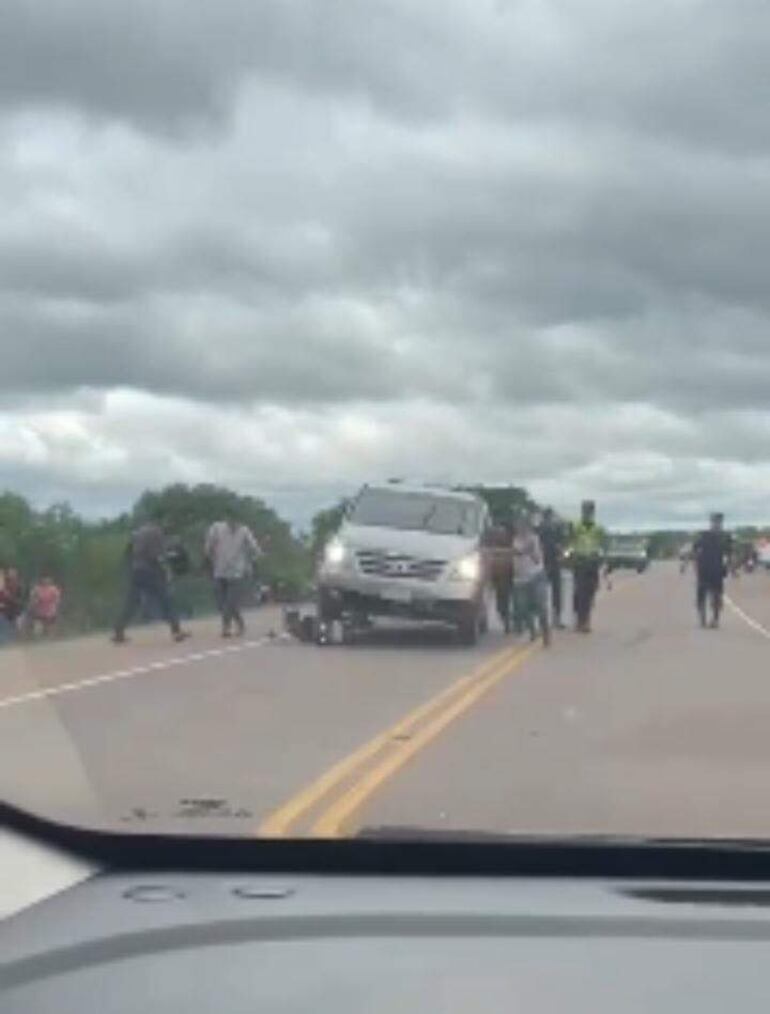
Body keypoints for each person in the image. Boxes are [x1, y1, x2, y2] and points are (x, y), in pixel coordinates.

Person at [112, 519, 190, 644]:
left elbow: (129, 553)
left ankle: (118, 631)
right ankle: (176, 631)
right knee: (166, 600)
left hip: (136, 570)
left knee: (131, 602)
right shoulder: (156, 532)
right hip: (150, 571)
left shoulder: (137, 533)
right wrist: (167, 564)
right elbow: (157, 555)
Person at [204, 512, 262, 637]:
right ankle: (240, 623)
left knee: (230, 601)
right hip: (220, 569)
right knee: (221, 602)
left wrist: (255, 556)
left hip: (237, 571)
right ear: (226, 519)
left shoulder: (244, 531)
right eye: (231, 520)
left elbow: (254, 547)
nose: (234, 524)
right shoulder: (216, 528)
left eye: (236, 522)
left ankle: (226, 627)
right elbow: (208, 547)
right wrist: (210, 556)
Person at [512, 515, 550, 646]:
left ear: (528, 527)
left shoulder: (534, 539)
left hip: (536, 575)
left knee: (541, 606)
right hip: (520, 579)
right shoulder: (514, 540)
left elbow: (537, 559)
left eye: (522, 525)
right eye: (518, 525)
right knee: (523, 607)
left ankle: (546, 635)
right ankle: (533, 631)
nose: (520, 528)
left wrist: (528, 550)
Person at [693, 513, 732, 629]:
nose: (717, 524)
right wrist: (695, 564)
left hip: (718, 570)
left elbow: (729, 553)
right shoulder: (704, 535)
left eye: (719, 522)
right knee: (701, 595)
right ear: (711, 522)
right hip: (704, 569)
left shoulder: (725, 537)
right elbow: (695, 550)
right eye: (715, 522)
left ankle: (715, 619)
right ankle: (702, 618)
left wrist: (730, 567)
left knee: (717, 596)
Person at [570, 500, 604, 633]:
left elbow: (601, 544)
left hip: (592, 562)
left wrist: (600, 556)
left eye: (590, 510)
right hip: (580, 560)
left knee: (590, 591)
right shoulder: (576, 526)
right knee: (579, 592)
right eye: (585, 510)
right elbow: (570, 541)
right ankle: (579, 619)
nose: (587, 512)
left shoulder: (598, 528)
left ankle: (586, 620)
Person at [537, 507, 566, 629]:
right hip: (550, 562)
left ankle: (545, 620)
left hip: (545, 563)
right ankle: (555, 619)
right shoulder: (555, 528)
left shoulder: (539, 528)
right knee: (555, 592)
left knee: (542, 593)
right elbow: (561, 545)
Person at [486, 521, 514, 633]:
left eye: (503, 533)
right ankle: (506, 621)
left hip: (512, 575)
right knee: (502, 600)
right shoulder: (492, 545)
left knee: (516, 600)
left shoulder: (513, 543)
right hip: (499, 576)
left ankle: (515, 621)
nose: (500, 535)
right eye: (498, 533)